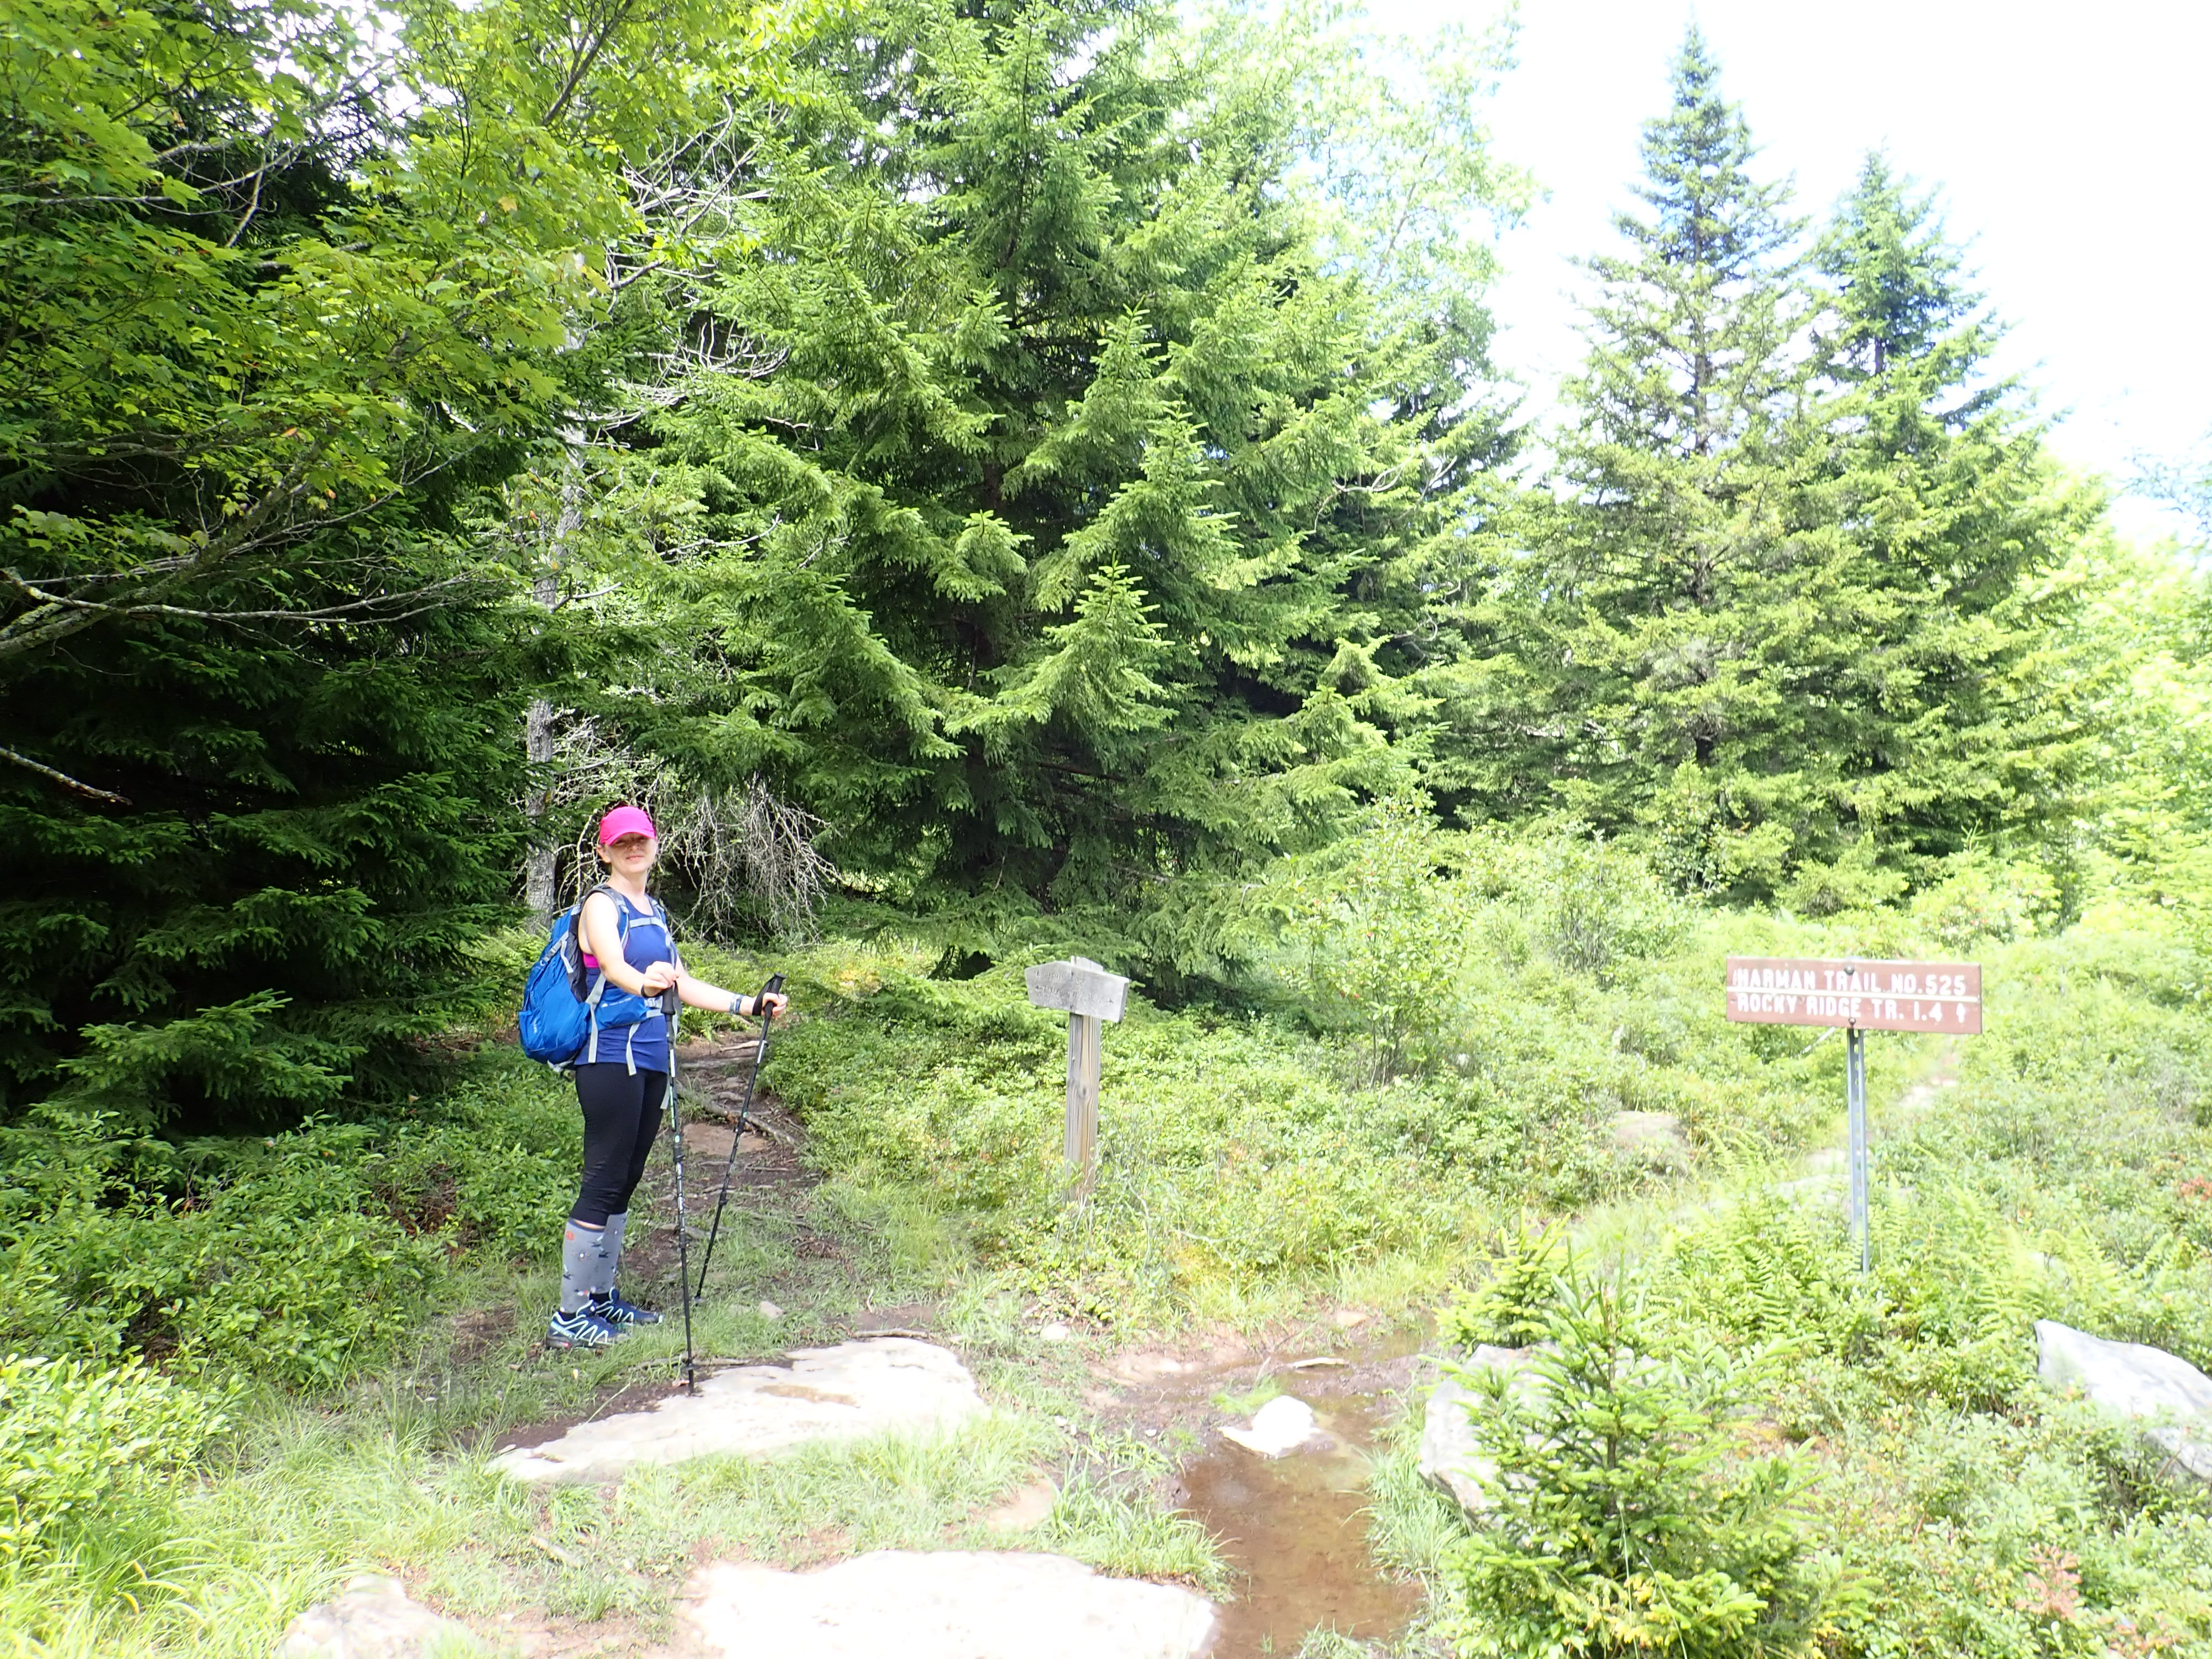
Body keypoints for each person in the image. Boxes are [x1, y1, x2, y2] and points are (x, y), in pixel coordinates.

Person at [549, 805, 790, 1350]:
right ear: (604, 852)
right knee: (603, 1179)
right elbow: (614, 967)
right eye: (622, 842)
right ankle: (569, 1317)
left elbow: (680, 981)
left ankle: (600, 1299)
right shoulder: (600, 905)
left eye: (642, 839)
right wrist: (645, 984)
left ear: (655, 845)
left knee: (626, 1178)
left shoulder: (652, 909)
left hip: (651, 1058)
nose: (633, 848)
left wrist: (748, 1004)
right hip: (608, 1058)